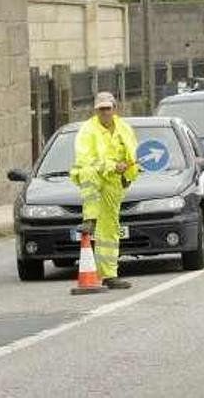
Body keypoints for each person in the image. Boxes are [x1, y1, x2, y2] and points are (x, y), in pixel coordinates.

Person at [71, 92, 138, 289]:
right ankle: (89, 218)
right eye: (101, 109)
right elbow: (85, 159)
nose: (105, 113)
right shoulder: (87, 130)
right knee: (88, 173)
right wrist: (111, 166)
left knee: (110, 229)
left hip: (114, 182)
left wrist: (128, 175)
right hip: (95, 176)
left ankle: (109, 275)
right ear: (96, 110)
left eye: (108, 108)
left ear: (114, 109)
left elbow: (133, 154)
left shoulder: (124, 128)